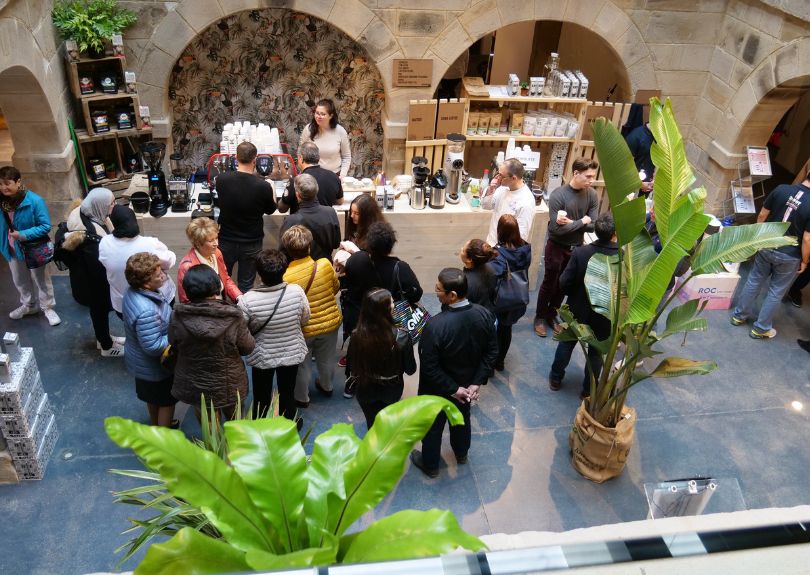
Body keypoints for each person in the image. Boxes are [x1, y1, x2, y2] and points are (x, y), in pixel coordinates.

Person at [410, 268, 497, 478]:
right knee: (461, 420)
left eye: (439, 289)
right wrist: (475, 383)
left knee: (433, 427)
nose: (435, 291)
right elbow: (492, 351)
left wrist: (452, 389)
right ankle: (461, 454)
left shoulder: (435, 326)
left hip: (437, 391)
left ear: (453, 295)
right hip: (467, 388)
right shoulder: (484, 315)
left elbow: (430, 367)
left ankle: (430, 464)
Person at [342, 221, 422, 398]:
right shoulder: (400, 268)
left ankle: (351, 380)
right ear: (391, 245)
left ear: (368, 243)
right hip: (389, 318)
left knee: (356, 347)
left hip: (359, 314)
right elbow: (416, 294)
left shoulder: (355, 260)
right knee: (389, 347)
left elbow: (349, 284)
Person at [170, 264, 255, 422]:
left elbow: (173, 342)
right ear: (217, 287)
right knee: (236, 422)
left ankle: (211, 446)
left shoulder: (177, 316)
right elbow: (247, 347)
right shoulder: (234, 316)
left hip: (195, 381)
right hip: (229, 382)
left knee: (208, 424)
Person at [731, 171, 810, 339]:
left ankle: (739, 316)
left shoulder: (782, 189)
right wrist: (805, 260)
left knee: (754, 280)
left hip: (766, 245)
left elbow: (762, 215)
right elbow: (807, 239)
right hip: (790, 254)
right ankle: (760, 329)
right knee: (776, 291)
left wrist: (758, 239)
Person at [238, 249, 310, 426]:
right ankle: (289, 422)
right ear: (284, 269)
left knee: (262, 394)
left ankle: (262, 425)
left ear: (259, 273)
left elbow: (242, 331)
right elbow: (305, 318)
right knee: (287, 391)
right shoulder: (297, 292)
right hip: (291, 351)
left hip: (262, 355)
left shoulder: (247, 300)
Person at [549, 213, 617, 398]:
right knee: (595, 354)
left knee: (566, 344)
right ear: (614, 234)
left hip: (576, 310)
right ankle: (588, 390)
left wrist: (574, 295)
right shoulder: (622, 257)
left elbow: (564, 282)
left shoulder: (581, 252)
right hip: (604, 316)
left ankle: (556, 379)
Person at [533, 157, 599, 337]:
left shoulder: (592, 195)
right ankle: (539, 317)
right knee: (549, 283)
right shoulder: (558, 195)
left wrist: (572, 223)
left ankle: (551, 315)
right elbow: (555, 230)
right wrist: (581, 221)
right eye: (588, 176)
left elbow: (594, 225)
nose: (591, 180)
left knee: (563, 285)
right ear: (576, 173)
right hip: (556, 247)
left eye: (593, 176)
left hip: (576, 248)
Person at [281, 225, 341, 407]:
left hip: (302, 328)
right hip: (329, 323)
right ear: (309, 246)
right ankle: (327, 386)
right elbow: (336, 287)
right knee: (327, 359)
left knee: (302, 365)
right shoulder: (324, 264)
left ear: (288, 250)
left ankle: (301, 397)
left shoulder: (285, 276)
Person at [62, 187, 124, 356]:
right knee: (99, 309)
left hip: (86, 277)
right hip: (92, 282)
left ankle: (104, 338)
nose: (114, 205)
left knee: (99, 311)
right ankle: (106, 346)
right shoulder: (91, 237)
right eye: (111, 203)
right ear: (99, 205)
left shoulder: (82, 212)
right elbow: (100, 263)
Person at [0, 165, 60, 326]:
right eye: (0, 184)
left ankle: (48, 307)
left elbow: (45, 226)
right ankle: (29, 305)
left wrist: (23, 234)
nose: (3, 187)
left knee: (41, 279)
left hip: (33, 248)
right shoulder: (1, 202)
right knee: (19, 280)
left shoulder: (34, 201)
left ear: (18, 182)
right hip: (11, 248)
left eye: (7, 183)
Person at [347, 288, 416, 429]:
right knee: (389, 423)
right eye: (391, 303)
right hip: (392, 388)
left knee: (371, 424)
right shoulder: (402, 336)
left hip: (365, 388)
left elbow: (351, 367)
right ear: (385, 310)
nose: (394, 304)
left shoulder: (356, 335)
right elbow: (410, 369)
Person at [121, 252, 176, 427]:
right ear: (146, 283)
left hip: (141, 364)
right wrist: (176, 335)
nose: (163, 276)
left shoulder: (133, 291)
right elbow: (152, 346)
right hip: (155, 368)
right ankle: (164, 440)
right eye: (159, 275)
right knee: (167, 402)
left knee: (153, 399)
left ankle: (156, 427)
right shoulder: (147, 311)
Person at [215, 141, 277, 292]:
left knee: (222, 280)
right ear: (255, 160)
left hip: (226, 239)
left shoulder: (221, 179)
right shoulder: (263, 186)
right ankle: (243, 314)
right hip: (251, 242)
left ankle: (223, 312)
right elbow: (270, 210)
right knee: (246, 285)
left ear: (236, 157)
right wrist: (272, 188)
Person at [99, 205, 176, 317]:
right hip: (155, 301)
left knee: (133, 330)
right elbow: (169, 262)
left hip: (123, 303)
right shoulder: (150, 244)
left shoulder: (104, 242)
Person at [488, 214, 532, 371]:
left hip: (500, 299)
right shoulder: (526, 248)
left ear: (500, 231)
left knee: (492, 330)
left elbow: (493, 275)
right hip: (518, 298)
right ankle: (500, 361)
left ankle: (490, 364)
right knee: (506, 330)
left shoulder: (497, 253)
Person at [177, 218, 241, 304]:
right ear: (198, 243)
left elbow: (225, 278)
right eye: (211, 240)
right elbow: (186, 301)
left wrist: (238, 296)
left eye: (216, 238)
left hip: (220, 303)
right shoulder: (187, 266)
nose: (216, 243)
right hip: (203, 311)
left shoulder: (217, 253)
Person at [279, 173, 340, 262]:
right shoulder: (331, 212)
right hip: (325, 268)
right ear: (317, 190)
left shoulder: (291, 221)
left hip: (302, 271)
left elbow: (283, 252)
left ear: (297, 195)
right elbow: (336, 244)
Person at [481, 158, 535, 247]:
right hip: (491, 243)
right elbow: (485, 205)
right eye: (498, 173)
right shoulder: (502, 188)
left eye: (501, 176)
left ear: (513, 178)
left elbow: (521, 236)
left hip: (504, 252)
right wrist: (491, 189)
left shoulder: (526, 201)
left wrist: (503, 252)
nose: (498, 178)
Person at [277, 142, 344, 213]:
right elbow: (340, 201)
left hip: (300, 223)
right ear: (318, 157)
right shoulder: (334, 177)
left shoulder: (296, 181)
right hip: (325, 221)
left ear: (301, 158)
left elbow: (282, 209)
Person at [298, 98, 351, 178]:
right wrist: (304, 170)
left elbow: (346, 156)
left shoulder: (340, 131)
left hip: (334, 175)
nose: (319, 116)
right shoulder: (308, 129)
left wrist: (342, 176)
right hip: (311, 176)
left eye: (323, 114)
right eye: (317, 113)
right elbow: (300, 152)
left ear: (331, 116)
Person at [333, 193, 385, 274]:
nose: (351, 216)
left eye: (356, 213)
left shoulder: (377, 235)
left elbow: (376, 264)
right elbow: (346, 241)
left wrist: (356, 253)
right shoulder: (352, 225)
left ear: (367, 216)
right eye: (351, 212)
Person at [460, 239, 496, 313]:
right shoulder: (490, 268)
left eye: (463, 250)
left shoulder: (465, 282)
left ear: (469, 259)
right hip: (488, 311)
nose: (461, 249)